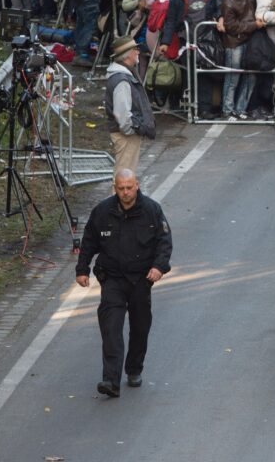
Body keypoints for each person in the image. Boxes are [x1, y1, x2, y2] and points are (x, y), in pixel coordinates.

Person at [75, 168, 174, 397]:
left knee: (140, 327)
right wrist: (82, 270)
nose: (126, 192)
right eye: (121, 188)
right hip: (113, 279)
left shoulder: (151, 210)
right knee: (110, 328)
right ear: (115, 188)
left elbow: (164, 242)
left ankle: (134, 368)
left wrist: (159, 267)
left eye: (130, 187)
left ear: (137, 185)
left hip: (141, 280)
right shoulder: (103, 212)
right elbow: (89, 242)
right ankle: (110, 380)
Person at [105, 36, 155, 171]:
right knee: (124, 177)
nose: (138, 52)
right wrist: (132, 130)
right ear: (127, 55)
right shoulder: (122, 80)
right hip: (126, 136)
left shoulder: (122, 75)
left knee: (125, 175)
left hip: (126, 134)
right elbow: (122, 114)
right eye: (135, 49)